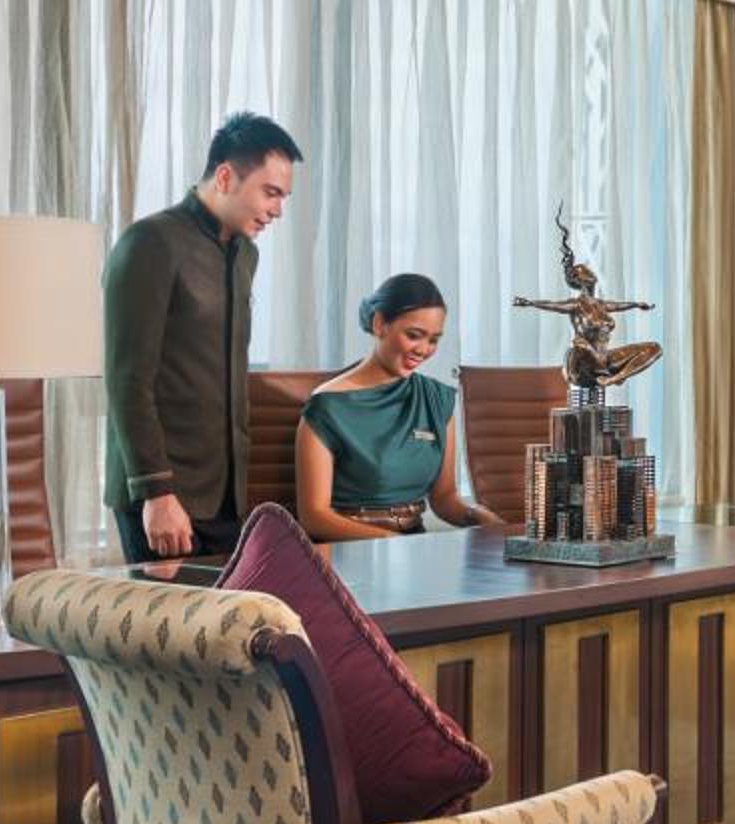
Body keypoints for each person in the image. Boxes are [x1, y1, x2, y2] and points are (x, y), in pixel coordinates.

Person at [103, 111, 300, 566]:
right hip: (162, 495)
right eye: (270, 192)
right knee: (166, 616)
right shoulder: (149, 243)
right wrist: (157, 493)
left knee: (233, 614)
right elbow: (127, 381)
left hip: (225, 498)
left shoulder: (245, 254)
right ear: (226, 177)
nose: (278, 210)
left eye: (283, 197)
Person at [298, 272, 508, 540]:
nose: (423, 349)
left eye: (433, 340)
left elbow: (444, 498)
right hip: (349, 548)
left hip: (412, 545)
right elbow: (314, 517)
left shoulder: (436, 399)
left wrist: (476, 515)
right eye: (414, 335)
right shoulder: (327, 407)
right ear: (379, 324)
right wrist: (391, 545)